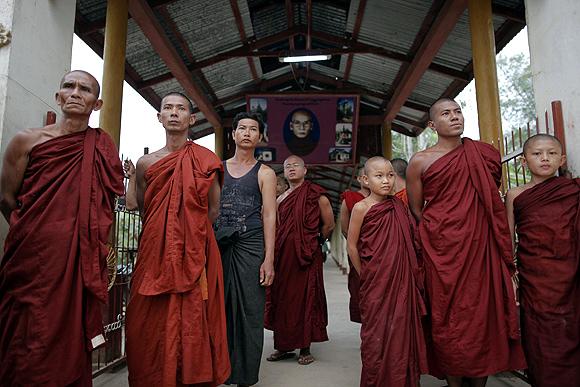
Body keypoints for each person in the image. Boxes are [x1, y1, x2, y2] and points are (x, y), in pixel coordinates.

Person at [0, 70, 124, 385]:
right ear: (58, 96)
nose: (75, 93)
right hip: (32, 258)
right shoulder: (27, 140)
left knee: (70, 332)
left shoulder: (101, 146)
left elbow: (106, 206)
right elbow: (6, 197)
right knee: (27, 331)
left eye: (85, 89)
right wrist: (31, 232)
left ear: (96, 104)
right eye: (69, 86)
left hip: (78, 262)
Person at [406, 98, 526, 387]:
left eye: (458, 111)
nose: (455, 117)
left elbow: (486, 195)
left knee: (482, 317)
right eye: (446, 114)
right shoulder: (420, 161)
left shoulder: (482, 154)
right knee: (448, 318)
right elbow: (417, 209)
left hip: (480, 248)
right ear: (433, 125)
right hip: (442, 251)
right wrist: (443, 230)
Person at [124, 92, 230, 386]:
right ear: (159, 117)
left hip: (196, 248)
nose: (174, 113)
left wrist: (188, 237)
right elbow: (147, 206)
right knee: (148, 314)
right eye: (167, 108)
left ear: (191, 119)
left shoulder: (205, 160)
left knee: (193, 313)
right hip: (155, 248)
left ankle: (190, 375)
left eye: (181, 108)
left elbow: (213, 209)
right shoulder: (146, 163)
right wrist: (166, 236)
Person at [505, 134, 580, 387]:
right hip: (536, 276)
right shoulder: (515, 195)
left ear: (562, 159)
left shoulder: (573, 191)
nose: (545, 158)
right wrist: (511, 273)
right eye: (537, 154)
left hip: (571, 273)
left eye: (550, 153)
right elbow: (508, 237)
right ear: (524, 162)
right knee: (541, 335)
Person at [347, 156, 427, 387]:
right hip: (375, 281)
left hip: (402, 281)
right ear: (365, 179)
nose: (386, 180)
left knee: (403, 333)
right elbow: (352, 245)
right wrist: (365, 273)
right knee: (376, 337)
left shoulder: (399, 206)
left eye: (390, 175)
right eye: (378, 176)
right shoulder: (361, 208)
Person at [214, 112, 277, 387]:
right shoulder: (217, 168)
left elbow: (269, 216)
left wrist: (269, 259)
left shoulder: (265, 173)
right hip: (219, 245)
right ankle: (219, 370)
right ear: (233, 134)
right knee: (218, 309)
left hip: (251, 245)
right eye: (242, 128)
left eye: (253, 129)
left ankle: (245, 375)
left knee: (251, 310)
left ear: (259, 137)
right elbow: (208, 209)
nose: (247, 133)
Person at [265, 155, 334, 365]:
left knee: (306, 298)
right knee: (283, 298)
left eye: (296, 166)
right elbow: (274, 227)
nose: (292, 169)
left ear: (305, 170)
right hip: (283, 257)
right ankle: (282, 347)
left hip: (306, 257)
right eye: (287, 167)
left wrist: (313, 242)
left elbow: (329, 224)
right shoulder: (279, 199)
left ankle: (305, 348)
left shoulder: (316, 195)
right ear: (284, 173)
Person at [339, 167, 369, 323]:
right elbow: (344, 229)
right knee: (360, 289)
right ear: (360, 179)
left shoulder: (387, 199)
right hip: (359, 250)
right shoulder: (350, 198)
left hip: (384, 253)